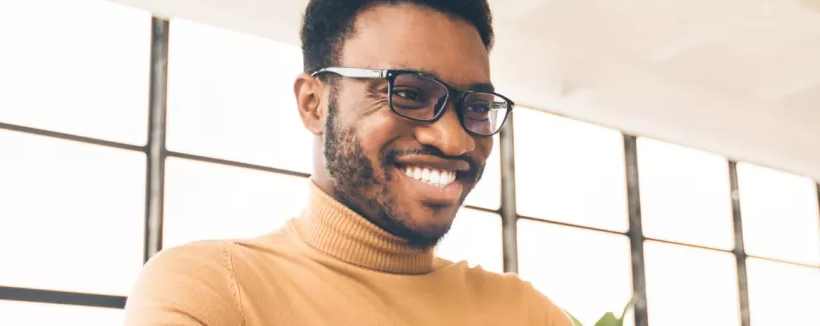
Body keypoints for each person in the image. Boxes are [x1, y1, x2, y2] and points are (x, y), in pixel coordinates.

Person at [124, 0, 570, 324]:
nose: (454, 141)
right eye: (409, 93)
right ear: (313, 104)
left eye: (476, 106)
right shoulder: (212, 291)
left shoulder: (526, 313)